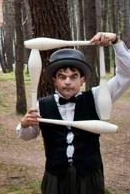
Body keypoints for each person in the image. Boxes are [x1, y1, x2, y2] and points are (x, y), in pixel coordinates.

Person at [17, 32, 130, 194]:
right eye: (62, 77)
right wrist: (24, 124)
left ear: (82, 80)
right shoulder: (41, 105)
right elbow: (28, 135)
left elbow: (126, 74)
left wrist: (116, 42)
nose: (67, 81)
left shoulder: (99, 97)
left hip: (89, 177)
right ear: (54, 80)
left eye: (73, 76)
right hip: (55, 178)